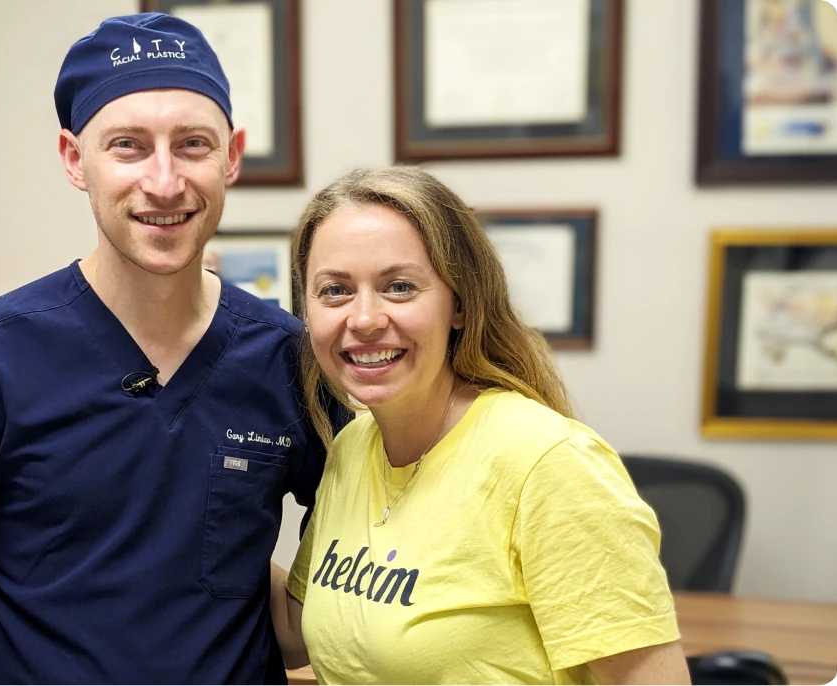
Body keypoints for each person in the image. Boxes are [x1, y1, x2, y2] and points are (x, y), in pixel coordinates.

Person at [0, 13, 343, 685]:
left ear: (232, 156)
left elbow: (355, 577)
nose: (163, 182)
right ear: (75, 159)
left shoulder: (289, 360)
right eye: (128, 146)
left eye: (192, 144)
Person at [269, 167, 691, 685]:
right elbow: (296, 631)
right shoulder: (354, 447)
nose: (364, 319)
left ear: (461, 305)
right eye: (334, 290)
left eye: (399, 287)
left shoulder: (547, 464)